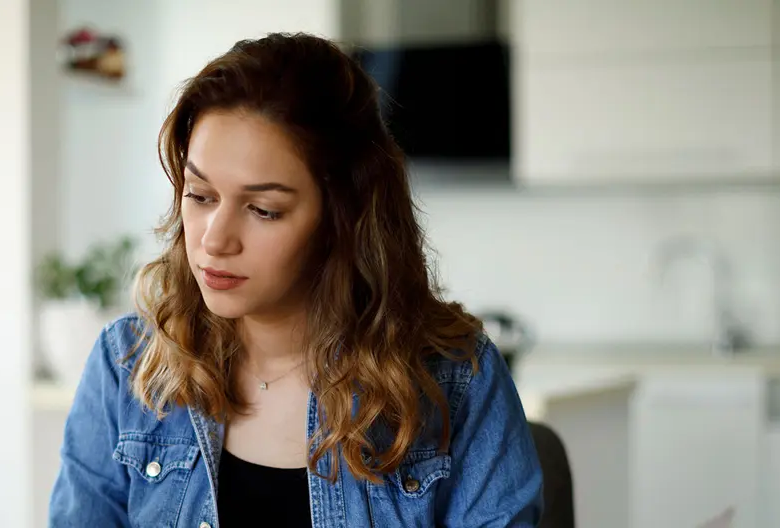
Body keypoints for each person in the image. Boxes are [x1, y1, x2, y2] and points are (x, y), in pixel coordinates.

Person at [48, 32, 543, 528]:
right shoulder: (127, 370)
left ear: (343, 216)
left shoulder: (457, 381)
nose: (215, 240)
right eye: (199, 195)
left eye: (264, 210)